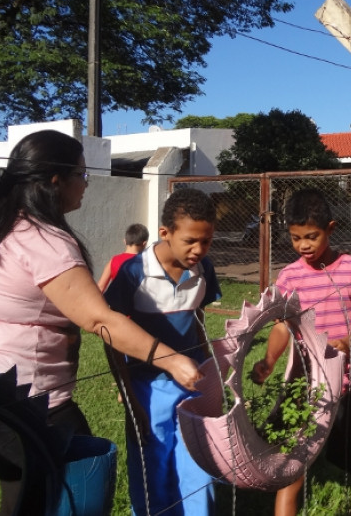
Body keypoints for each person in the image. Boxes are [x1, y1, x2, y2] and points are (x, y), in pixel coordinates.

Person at [0, 130, 204, 515]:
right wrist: (172, 359)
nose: (86, 184)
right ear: (56, 181)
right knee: (76, 492)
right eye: (82, 174)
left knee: (18, 492)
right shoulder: (44, 240)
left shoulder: (1, 225)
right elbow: (98, 317)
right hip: (30, 397)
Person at [250, 188, 351, 516]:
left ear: (331, 229)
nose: (303, 245)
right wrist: (269, 361)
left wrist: (347, 341)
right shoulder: (290, 277)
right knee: (292, 467)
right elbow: (282, 326)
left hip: (349, 385)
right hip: (302, 388)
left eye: (312, 236)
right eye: (295, 238)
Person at [104, 187, 221, 516]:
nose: (199, 250)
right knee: (152, 466)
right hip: (146, 389)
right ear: (165, 233)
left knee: (198, 464)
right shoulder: (133, 273)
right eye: (190, 241)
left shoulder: (203, 270)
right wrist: (128, 392)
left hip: (192, 385)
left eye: (207, 241)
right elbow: (109, 333)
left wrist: (210, 377)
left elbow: (197, 319)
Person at [97, 223, 149, 291]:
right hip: (138, 300)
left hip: (116, 300)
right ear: (144, 244)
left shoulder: (114, 260)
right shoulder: (146, 261)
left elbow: (101, 286)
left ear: (125, 241)